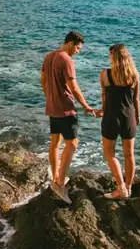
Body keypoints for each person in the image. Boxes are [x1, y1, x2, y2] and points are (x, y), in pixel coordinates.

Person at [41, 30, 100, 204]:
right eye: (78, 48)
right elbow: (73, 87)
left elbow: (42, 81)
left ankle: (55, 178)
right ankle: (60, 183)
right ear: (70, 43)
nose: (78, 51)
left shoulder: (49, 56)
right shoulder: (67, 60)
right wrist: (87, 107)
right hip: (66, 109)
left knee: (55, 144)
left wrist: (50, 97)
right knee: (72, 144)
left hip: (52, 107)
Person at [100, 43, 140, 200]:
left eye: (110, 55)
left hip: (111, 117)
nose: (109, 57)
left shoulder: (105, 74)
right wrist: (137, 117)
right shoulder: (135, 75)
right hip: (129, 117)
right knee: (129, 155)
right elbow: (136, 99)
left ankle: (121, 188)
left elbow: (104, 96)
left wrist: (103, 111)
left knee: (110, 153)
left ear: (114, 56)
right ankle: (128, 188)